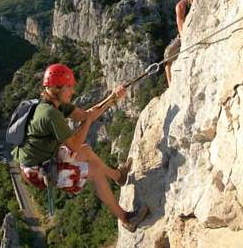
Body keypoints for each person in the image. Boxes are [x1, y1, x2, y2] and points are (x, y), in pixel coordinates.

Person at [12, 63, 148, 232]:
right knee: (96, 171)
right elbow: (74, 144)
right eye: (69, 87)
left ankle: (118, 177)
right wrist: (88, 121)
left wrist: (113, 98)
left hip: (44, 158)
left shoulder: (55, 103)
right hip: (38, 171)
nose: (73, 91)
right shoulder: (50, 114)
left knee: (86, 150)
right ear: (58, 88)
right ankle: (127, 219)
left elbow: (85, 115)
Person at [164, 0, 194, 86]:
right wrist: (185, 42)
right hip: (184, 35)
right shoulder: (181, 6)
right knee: (168, 54)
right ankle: (170, 84)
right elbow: (180, 26)